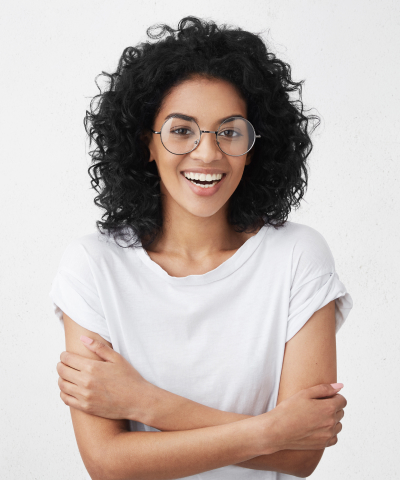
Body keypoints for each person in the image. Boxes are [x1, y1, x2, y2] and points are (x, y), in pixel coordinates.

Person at [50, 16, 353, 480]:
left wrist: (144, 402)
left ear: (253, 147)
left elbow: (301, 456)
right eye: (181, 131)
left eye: (229, 131)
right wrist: (273, 431)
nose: (208, 154)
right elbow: (107, 463)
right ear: (147, 143)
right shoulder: (93, 266)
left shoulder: (297, 256)